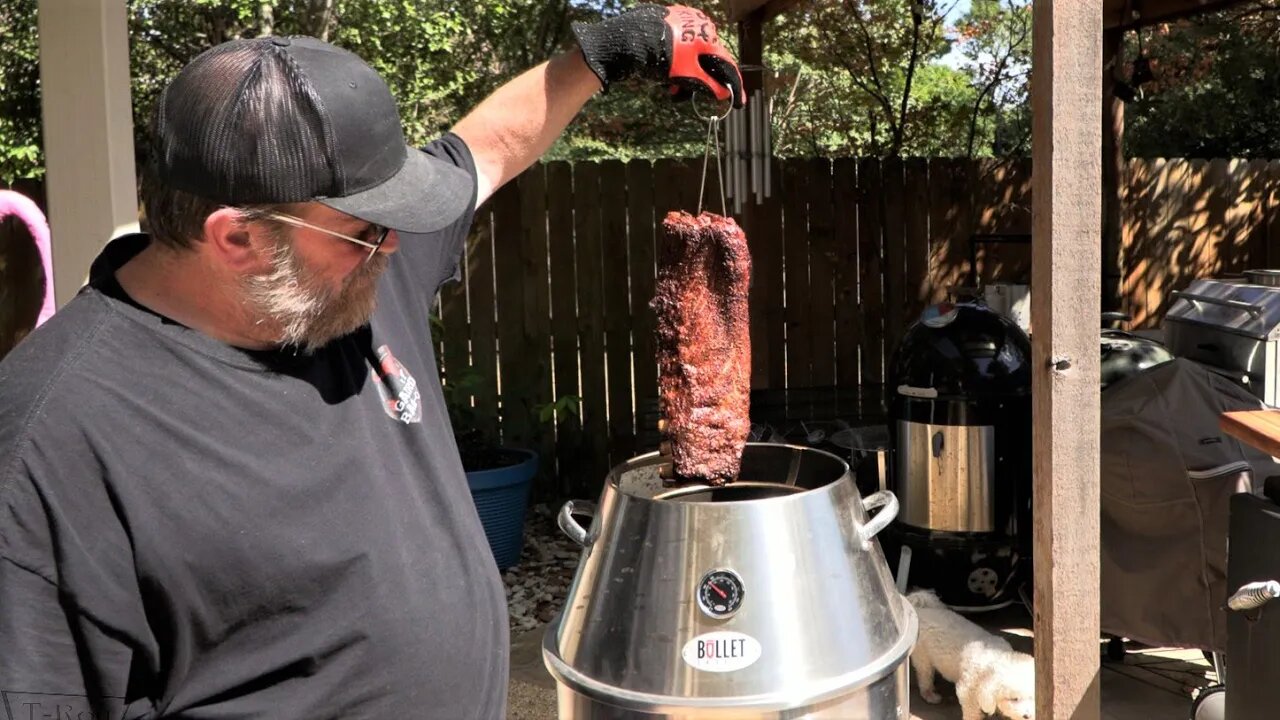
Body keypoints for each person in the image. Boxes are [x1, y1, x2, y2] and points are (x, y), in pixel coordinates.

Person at [0, 6, 742, 718]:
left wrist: (602, 55)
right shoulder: (48, 444)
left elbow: (482, 151)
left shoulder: (340, 272)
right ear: (236, 239)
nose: (394, 246)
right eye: (365, 229)